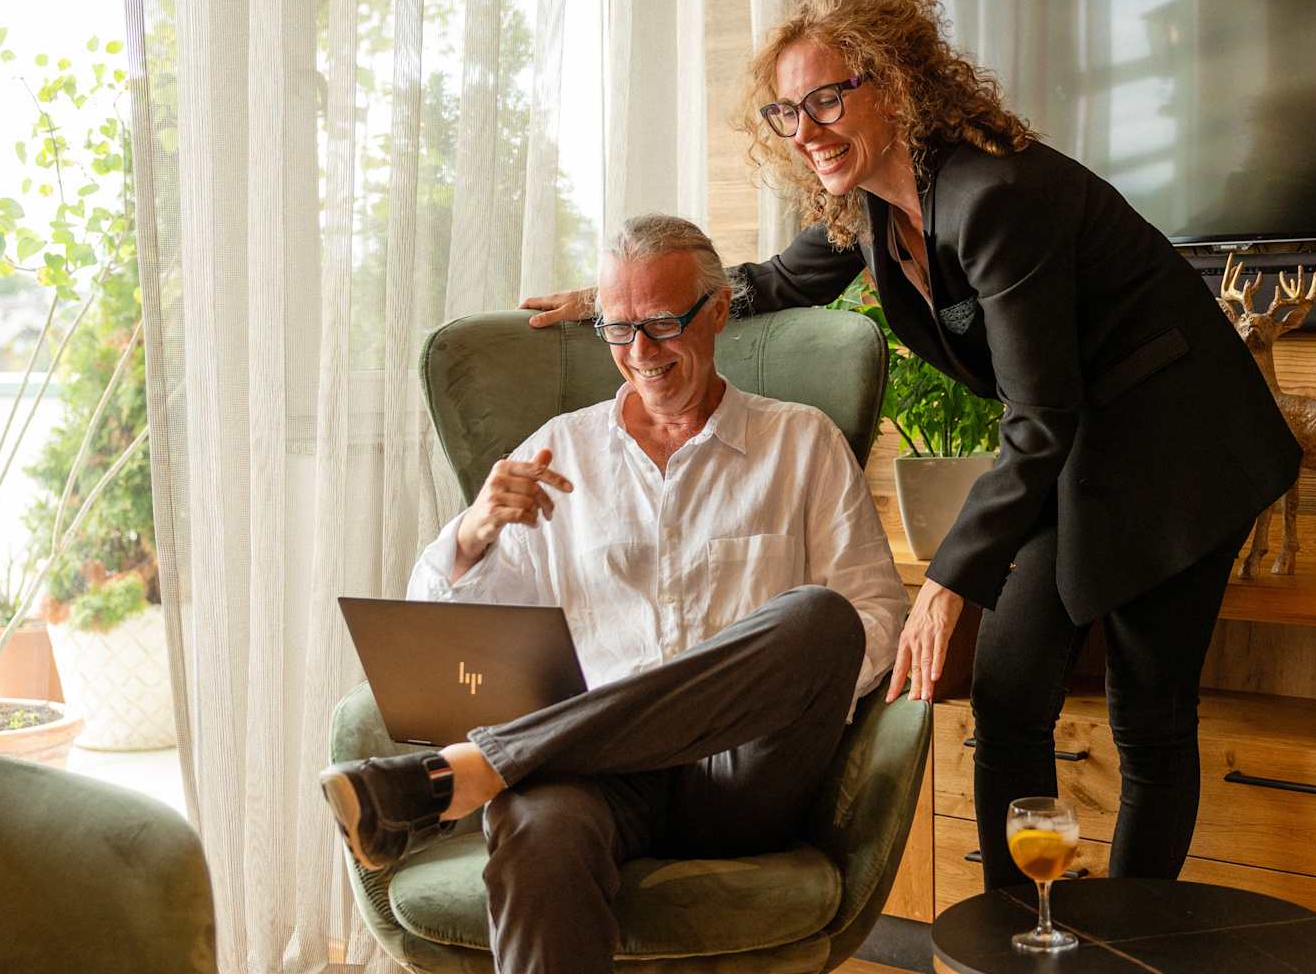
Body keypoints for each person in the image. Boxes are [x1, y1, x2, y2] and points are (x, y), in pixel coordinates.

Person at [522, 0, 1302, 890]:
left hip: (1182, 446)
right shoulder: (872, 207)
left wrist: (945, 583)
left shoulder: (993, 196)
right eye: (787, 111)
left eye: (827, 99)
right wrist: (625, 310)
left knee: (1149, 716)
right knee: (1009, 698)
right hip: (1075, 452)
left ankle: (1134, 935)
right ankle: (1021, 932)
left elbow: (1039, 414)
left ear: (892, 84)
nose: (806, 131)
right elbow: (773, 281)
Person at [321, 214, 907, 973]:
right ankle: (500, 766)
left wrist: (744, 688)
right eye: (618, 329)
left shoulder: (801, 442)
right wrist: (473, 532)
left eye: (661, 324)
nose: (640, 353)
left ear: (718, 311)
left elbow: (876, 619)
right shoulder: (557, 452)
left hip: (744, 777)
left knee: (821, 619)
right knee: (537, 822)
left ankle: (480, 767)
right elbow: (443, 647)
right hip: (591, 778)